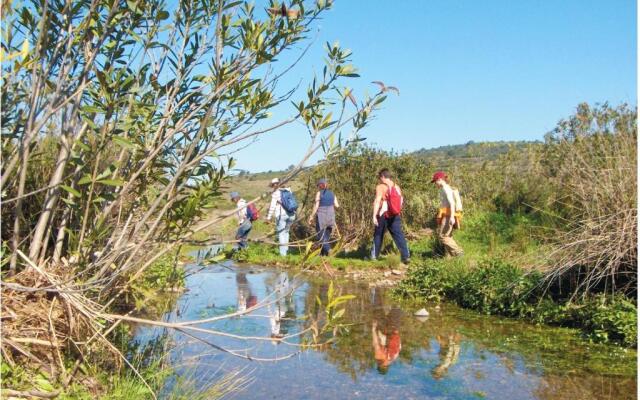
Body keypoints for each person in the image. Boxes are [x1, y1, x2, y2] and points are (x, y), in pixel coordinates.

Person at [371, 168, 410, 264]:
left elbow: (377, 201)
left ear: (383, 177)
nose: (380, 179)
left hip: (383, 214)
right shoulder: (396, 186)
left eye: (380, 177)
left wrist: (374, 215)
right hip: (395, 214)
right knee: (398, 235)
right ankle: (406, 256)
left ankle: (374, 257)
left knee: (378, 234)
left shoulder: (381, 187)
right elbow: (401, 200)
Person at [431, 171, 464, 257]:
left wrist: (452, 217)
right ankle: (449, 256)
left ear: (440, 179)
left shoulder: (446, 188)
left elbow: (452, 203)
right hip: (447, 214)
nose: (435, 184)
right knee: (448, 236)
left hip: (449, 215)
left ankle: (458, 251)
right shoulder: (444, 188)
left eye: (435, 181)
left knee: (442, 236)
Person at [307, 178, 340, 256]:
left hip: (322, 216)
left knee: (321, 235)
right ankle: (322, 254)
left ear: (319, 186)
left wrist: (311, 216)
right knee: (326, 236)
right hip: (331, 215)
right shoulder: (332, 193)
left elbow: (316, 206)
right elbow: (337, 205)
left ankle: (329, 250)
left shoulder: (319, 193)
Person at [266, 178, 296, 256]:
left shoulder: (275, 192)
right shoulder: (288, 190)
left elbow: (272, 206)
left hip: (281, 215)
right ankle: (286, 251)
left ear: (274, 185)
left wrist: (268, 217)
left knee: (281, 234)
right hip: (291, 215)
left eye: (273, 185)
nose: (273, 186)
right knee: (286, 232)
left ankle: (283, 255)